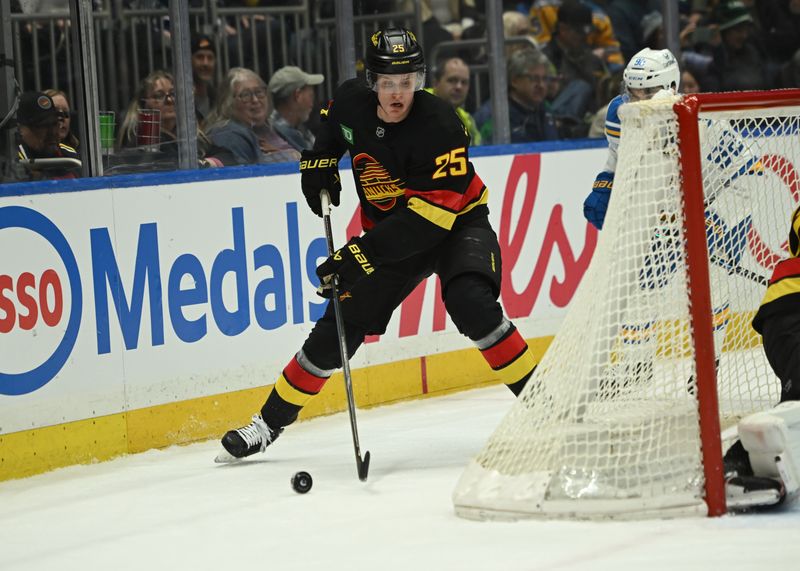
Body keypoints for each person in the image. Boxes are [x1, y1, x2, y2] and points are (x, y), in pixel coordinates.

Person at [217, 28, 537, 461]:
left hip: (456, 226)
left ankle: (544, 407)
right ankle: (266, 424)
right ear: (372, 83)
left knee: (471, 303)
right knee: (338, 327)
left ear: (419, 81)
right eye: (388, 82)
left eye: (407, 82)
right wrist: (319, 162)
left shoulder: (442, 125)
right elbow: (334, 127)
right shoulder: (352, 101)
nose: (398, 93)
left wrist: (361, 254)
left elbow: (428, 223)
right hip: (391, 234)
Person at [205, 67, 301, 164]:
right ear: (228, 102)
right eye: (245, 95)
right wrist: (291, 156)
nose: (255, 100)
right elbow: (244, 171)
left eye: (259, 92)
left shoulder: (280, 130)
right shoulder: (227, 134)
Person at [473, 47, 559, 144]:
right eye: (534, 78)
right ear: (514, 81)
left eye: (545, 79)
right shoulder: (492, 116)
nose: (541, 85)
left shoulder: (546, 110)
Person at [14, 90, 81, 181]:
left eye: (54, 124)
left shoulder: (70, 156)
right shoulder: (14, 161)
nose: (52, 132)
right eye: (43, 126)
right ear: (20, 129)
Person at [426, 56, 482, 145]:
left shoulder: (467, 121)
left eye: (464, 82)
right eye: (452, 80)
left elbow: (479, 150)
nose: (459, 87)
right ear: (435, 83)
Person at [267, 65, 324, 152]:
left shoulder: (297, 128)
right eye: (311, 96)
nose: (312, 103)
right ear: (298, 95)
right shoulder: (280, 135)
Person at [191, 33, 218, 120]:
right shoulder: (178, 99)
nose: (205, 63)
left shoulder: (218, 98)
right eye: (200, 57)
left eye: (210, 58)